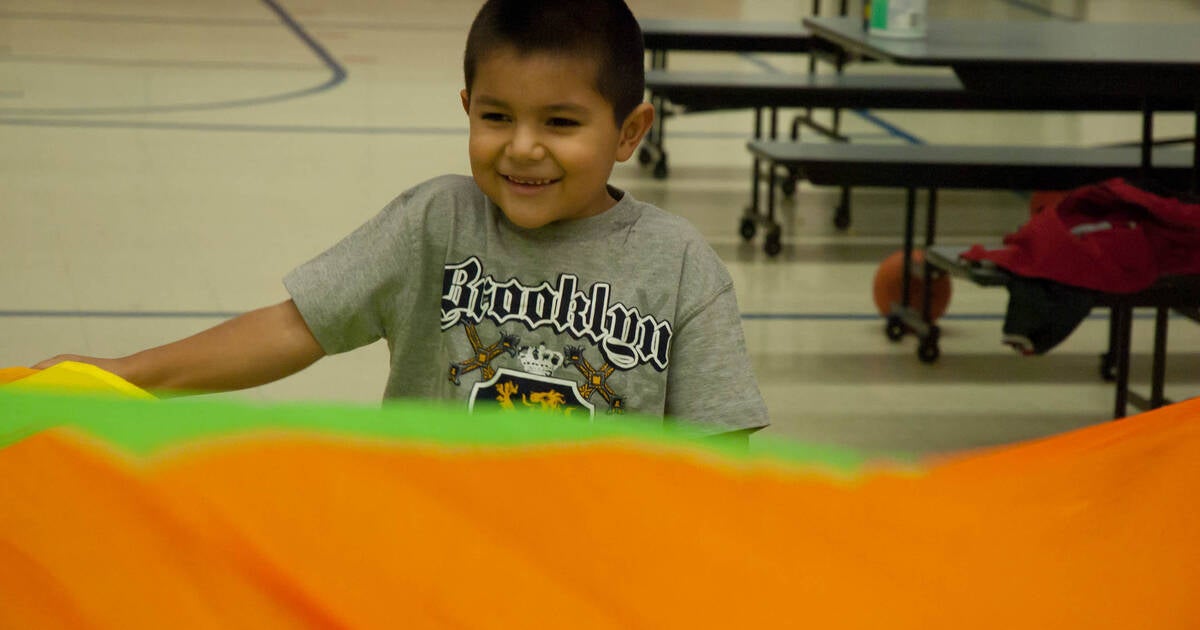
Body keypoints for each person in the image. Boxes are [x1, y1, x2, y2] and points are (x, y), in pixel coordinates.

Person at [35, 0, 768, 439]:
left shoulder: (679, 265)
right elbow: (296, 326)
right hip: (425, 568)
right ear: (467, 109)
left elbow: (719, 458)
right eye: (497, 117)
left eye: (560, 121)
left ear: (630, 132)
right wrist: (127, 374)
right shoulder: (436, 222)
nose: (522, 147)